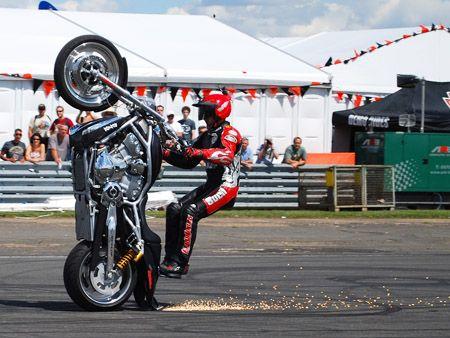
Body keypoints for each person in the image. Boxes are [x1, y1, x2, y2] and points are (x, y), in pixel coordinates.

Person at [160, 93, 242, 278]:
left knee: (190, 211)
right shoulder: (207, 135)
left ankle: (181, 264)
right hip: (211, 185)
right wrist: (164, 152)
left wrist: (198, 152)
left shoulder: (230, 133)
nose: (204, 116)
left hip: (226, 186)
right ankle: (170, 259)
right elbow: (188, 160)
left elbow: (226, 156)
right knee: (174, 208)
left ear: (219, 113)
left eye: (207, 112)